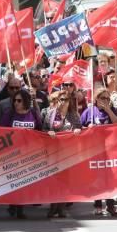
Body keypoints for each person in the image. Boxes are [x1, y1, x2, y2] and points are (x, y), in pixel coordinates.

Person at [0, 89, 40, 219]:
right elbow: (0, 131)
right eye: (14, 101)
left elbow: (39, 128)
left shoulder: (32, 113)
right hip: (12, 153)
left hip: (28, 152)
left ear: (26, 101)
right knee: (13, 180)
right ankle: (13, 205)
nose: (16, 103)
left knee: (23, 181)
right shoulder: (9, 114)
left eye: (19, 100)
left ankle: (20, 208)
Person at [81, 88, 117, 217]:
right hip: (93, 150)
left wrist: (109, 110)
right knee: (96, 178)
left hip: (109, 150)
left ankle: (110, 205)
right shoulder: (89, 112)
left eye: (107, 98)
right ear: (96, 99)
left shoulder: (111, 111)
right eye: (103, 98)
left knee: (109, 179)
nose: (105, 101)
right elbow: (79, 127)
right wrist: (87, 129)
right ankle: (98, 205)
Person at [41, 90, 81, 219]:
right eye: (61, 99)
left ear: (70, 102)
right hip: (53, 153)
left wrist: (77, 129)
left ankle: (61, 207)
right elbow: (44, 129)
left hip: (68, 153)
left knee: (65, 181)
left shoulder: (73, 115)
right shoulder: (51, 114)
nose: (63, 102)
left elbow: (80, 128)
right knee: (54, 180)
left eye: (65, 99)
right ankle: (53, 206)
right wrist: (49, 132)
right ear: (57, 101)